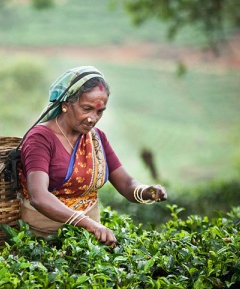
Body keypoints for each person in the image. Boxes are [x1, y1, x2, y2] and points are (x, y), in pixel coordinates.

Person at [18, 66, 167, 247]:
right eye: (86, 109)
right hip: (43, 240)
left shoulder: (96, 138)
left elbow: (126, 183)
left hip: (88, 241)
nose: (92, 118)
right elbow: (38, 195)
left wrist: (145, 190)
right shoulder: (41, 138)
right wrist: (88, 224)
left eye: (99, 111)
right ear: (65, 105)